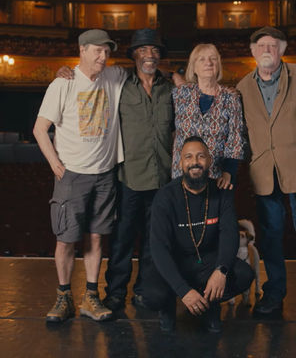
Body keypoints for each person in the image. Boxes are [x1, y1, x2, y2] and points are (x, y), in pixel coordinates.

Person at [33, 29, 129, 322]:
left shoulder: (113, 76)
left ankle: (90, 296)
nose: (103, 57)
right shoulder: (63, 83)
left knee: (97, 239)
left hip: (104, 174)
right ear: (82, 51)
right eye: (97, 51)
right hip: (72, 175)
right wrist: (54, 163)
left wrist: (177, 76)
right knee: (66, 240)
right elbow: (39, 129)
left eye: (107, 52)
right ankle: (64, 297)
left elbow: (148, 69)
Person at [237, 27, 296, 320]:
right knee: (271, 238)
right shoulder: (241, 87)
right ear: (252, 51)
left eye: (273, 46)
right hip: (264, 174)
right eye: (261, 45)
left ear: (282, 50)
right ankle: (274, 295)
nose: (267, 50)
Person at [142, 136, 254, 332]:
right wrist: (183, 291)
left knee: (244, 275)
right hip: (175, 261)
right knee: (152, 296)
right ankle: (168, 307)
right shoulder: (165, 196)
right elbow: (159, 249)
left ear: (209, 161)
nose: (195, 162)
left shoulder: (222, 193)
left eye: (201, 156)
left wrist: (221, 271)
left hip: (207, 261)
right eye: (189, 157)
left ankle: (210, 306)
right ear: (181, 163)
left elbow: (230, 235)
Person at [102, 28, 176, 312]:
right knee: (121, 240)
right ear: (134, 55)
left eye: (155, 51)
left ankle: (143, 291)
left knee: (152, 240)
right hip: (128, 177)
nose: (150, 56)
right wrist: (65, 71)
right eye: (144, 50)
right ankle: (116, 293)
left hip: (162, 178)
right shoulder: (120, 85)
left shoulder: (170, 89)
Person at [172, 44, 244, 190]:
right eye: (202, 59)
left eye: (213, 59)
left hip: (218, 178)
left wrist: (228, 173)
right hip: (183, 176)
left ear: (218, 65)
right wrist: (172, 74)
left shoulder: (231, 99)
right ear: (193, 67)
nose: (208, 63)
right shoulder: (179, 94)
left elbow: (235, 141)